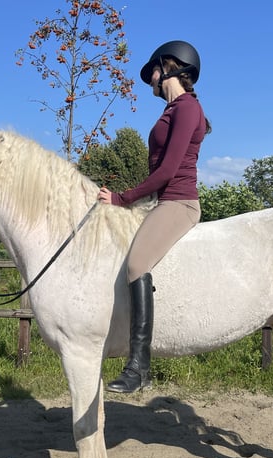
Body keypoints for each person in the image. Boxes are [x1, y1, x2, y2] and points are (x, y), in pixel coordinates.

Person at [97, 40, 211, 394]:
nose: (151, 81)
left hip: (179, 203)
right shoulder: (173, 110)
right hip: (163, 201)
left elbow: (167, 172)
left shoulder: (187, 108)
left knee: (136, 265)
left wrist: (121, 198)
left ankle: (139, 366)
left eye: (154, 73)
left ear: (171, 68)